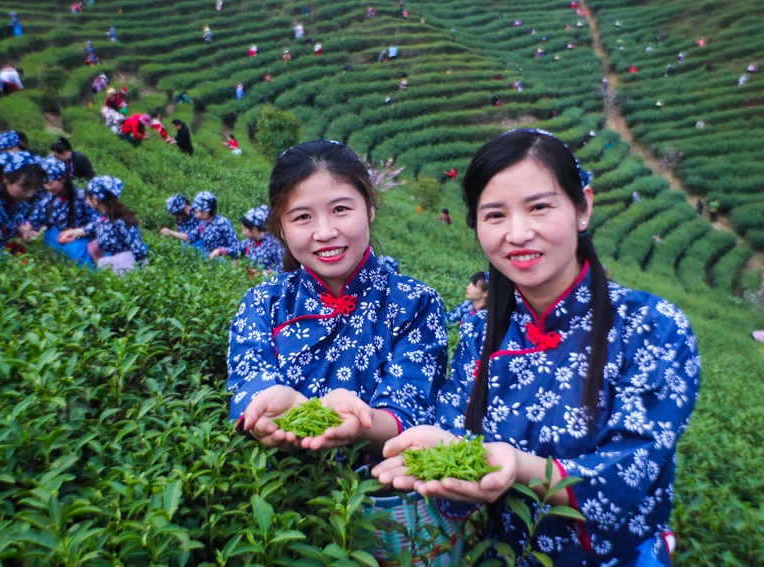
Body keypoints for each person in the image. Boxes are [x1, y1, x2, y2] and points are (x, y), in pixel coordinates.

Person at [372, 129, 700, 567]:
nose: (518, 233)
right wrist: (444, 461)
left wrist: (516, 465)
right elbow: (458, 460)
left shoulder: (651, 327)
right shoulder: (479, 336)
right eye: (495, 215)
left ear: (583, 207)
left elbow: (628, 475)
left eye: (539, 207)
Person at [226, 139, 448, 461]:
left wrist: (358, 427)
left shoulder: (415, 303)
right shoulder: (264, 302)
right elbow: (248, 384)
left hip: (375, 501)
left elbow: (410, 409)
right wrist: (267, 402)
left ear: (369, 208)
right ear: (282, 229)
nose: (325, 232)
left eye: (340, 209)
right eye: (302, 217)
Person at [58, 176, 148, 274]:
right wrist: (75, 233)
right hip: (115, 269)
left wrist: (144, 273)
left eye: (87, 197)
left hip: (127, 270)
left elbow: (139, 250)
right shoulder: (104, 217)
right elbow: (94, 226)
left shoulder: (121, 220)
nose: (85, 201)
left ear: (95, 199)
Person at [33, 156, 101, 265]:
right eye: (44, 184)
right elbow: (37, 216)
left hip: (80, 245)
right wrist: (28, 228)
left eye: (50, 183)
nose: (47, 187)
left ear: (63, 178)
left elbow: (99, 222)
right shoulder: (49, 198)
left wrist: (79, 231)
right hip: (59, 241)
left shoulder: (82, 197)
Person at [180, 191, 241, 259]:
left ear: (206, 212)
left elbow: (236, 248)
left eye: (196, 212)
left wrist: (220, 251)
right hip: (206, 252)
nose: (194, 215)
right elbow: (191, 235)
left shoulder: (223, 223)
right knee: (184, 244)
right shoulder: (203, 222)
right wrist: (172, 233)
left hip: (220, 258)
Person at [237, 205, 284, 273]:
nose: (243, 233)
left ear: (254, 229)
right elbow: (235, 250)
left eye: (244, 229)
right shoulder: (248, 242)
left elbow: (283, 268)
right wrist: (220, 251)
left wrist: (263, 273)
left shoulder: (274, 244)